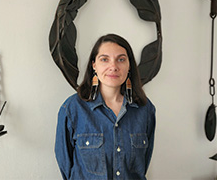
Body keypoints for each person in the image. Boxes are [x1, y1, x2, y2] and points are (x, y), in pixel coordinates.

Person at [55, 34, 156, 180]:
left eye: (121, 59)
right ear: (94, 65)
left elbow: (143, 164)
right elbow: (65, 165)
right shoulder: (72, 109)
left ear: (129, 66)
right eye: (104, 59)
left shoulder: (145, 109)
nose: (113, 67)